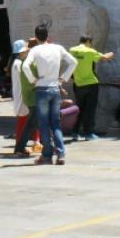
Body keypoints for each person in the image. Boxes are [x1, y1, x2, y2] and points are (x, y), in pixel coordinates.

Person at [23, 25, 78, 166]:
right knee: (56, 124)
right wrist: (64, 78)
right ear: (48, 36)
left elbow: (25, 66)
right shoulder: (57, 48)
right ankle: (60, 154)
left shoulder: (35, 50)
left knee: (43, 124)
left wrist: (32, 79)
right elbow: (74, 62)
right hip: (55, 89)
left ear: (36, 37)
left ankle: (47, 155)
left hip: (41, 89)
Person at [68, 35, 114, 142]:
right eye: (90, 42)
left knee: (79, 109)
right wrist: (111, 53)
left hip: (78, 84)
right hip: (90, 84)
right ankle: (88, 133)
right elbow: (105, 57)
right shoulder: (90, 51)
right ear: (88, 41)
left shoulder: (72, 50)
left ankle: (75, 132)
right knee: (90, 110)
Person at [11, 39, 39, 157]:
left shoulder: (17, 62)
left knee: (26, 121)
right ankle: (19, 145)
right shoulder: (19, 63)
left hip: (22, 95)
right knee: (23, 121)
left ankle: (21, 145)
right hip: (23, 95)